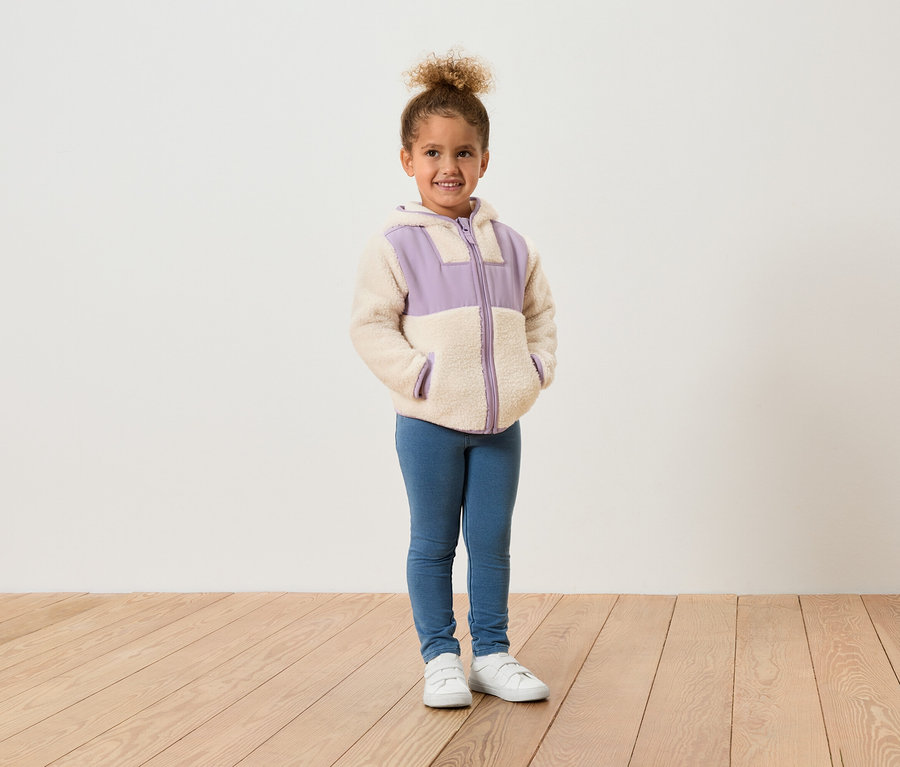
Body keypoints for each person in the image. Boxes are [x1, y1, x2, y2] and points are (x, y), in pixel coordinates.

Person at [350, 51, 557, 708]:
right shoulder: (395, 242)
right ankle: (440, 655)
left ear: (484, 160)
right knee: (434, 541)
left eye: (463, 152)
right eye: (433, 153)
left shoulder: (514, 244)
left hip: (501, 424)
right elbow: (370, 324)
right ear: (408, 159)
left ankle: (491, 653)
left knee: (491, 541)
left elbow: (540, 314)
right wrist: (420, 376)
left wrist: (535, 369)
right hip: (429, 423)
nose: (449, 167)